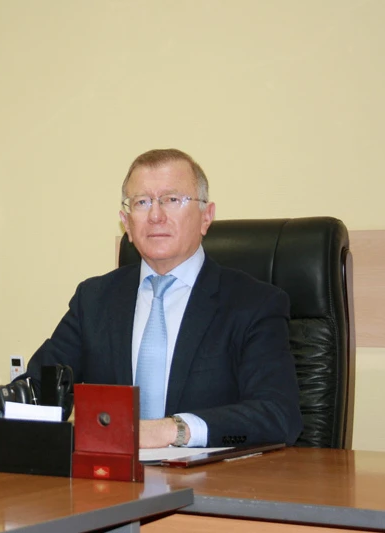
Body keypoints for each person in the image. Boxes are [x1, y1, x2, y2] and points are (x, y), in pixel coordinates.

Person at [26, 148, 302, 448]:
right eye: (142, 202)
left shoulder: (254, 303)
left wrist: (174, 430)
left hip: (211, 475)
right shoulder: (93, 300)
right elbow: (37, 388)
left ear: (206, 217)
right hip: (109, 474)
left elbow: (278, 417)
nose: (156, 216)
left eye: (171, 200)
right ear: (127, 223)